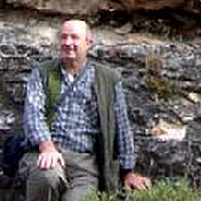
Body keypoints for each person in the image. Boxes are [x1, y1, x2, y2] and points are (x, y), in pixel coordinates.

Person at [22, 19, 151, 201]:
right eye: (64, 37)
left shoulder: (108, 79)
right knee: (46, 177)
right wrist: (47, 147)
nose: (68, 43)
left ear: (88, 43)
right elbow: (33, 114)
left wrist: (127, 171)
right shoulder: (43, 73)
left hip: (85, 166)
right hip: (47, 155)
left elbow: (121, 127)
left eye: (74, 37)